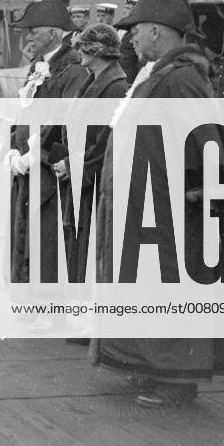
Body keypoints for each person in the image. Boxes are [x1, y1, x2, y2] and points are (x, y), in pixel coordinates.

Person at [91, 0, 224, 408]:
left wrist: (202, 190)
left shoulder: (182, 77)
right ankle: (153, 366)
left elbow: (206, 139)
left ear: (156, 31)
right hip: (148, 202)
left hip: (170, 208)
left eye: (136, 31)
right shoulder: (162, 74)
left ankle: (177, 380)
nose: (132, 39)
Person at [7, 0, 90, 286]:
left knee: (47, 243)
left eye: (33, 31)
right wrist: (13, 146)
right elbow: (23, 111)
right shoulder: (39, 66)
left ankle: (45, 302)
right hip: (27, 171)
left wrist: (33, 154)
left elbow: (65, 121)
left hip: (48, 173)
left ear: (54, 33)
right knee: (24, 239)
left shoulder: (73, 70)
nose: (27, 38)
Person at [52, 23, 128, 283]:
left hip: (93, 182)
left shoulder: (115, 88)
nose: (79, 52)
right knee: (78, 243)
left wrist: (73, 165)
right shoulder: (94, 81)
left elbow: (105, 142)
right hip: (81, 179)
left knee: (89, 246)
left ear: (97, 50)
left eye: (84, 47)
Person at [118, 0, 140, 82]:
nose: (124, 11)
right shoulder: (121, 29)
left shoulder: (138, 32)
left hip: (128, 78)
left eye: (128, 8)